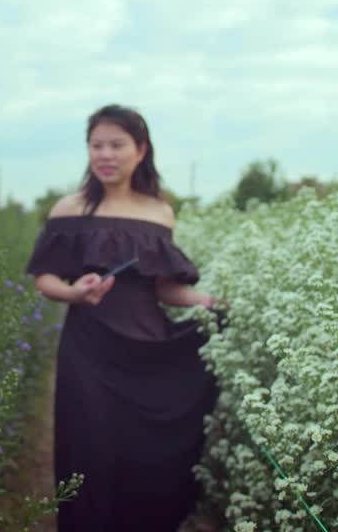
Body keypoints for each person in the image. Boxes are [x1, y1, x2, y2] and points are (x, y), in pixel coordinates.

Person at [24, 103, 226, 532]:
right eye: (96, 145)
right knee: (89, 451)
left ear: (140, 150)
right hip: (88, 348)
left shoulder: (159, 212)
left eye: (116, 144)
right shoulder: (69, 209)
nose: (105, 155)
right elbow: (44, 279)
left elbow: (165, 288)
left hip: (148, 346)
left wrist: (208, 302)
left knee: (147, 455)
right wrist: (75, 293)